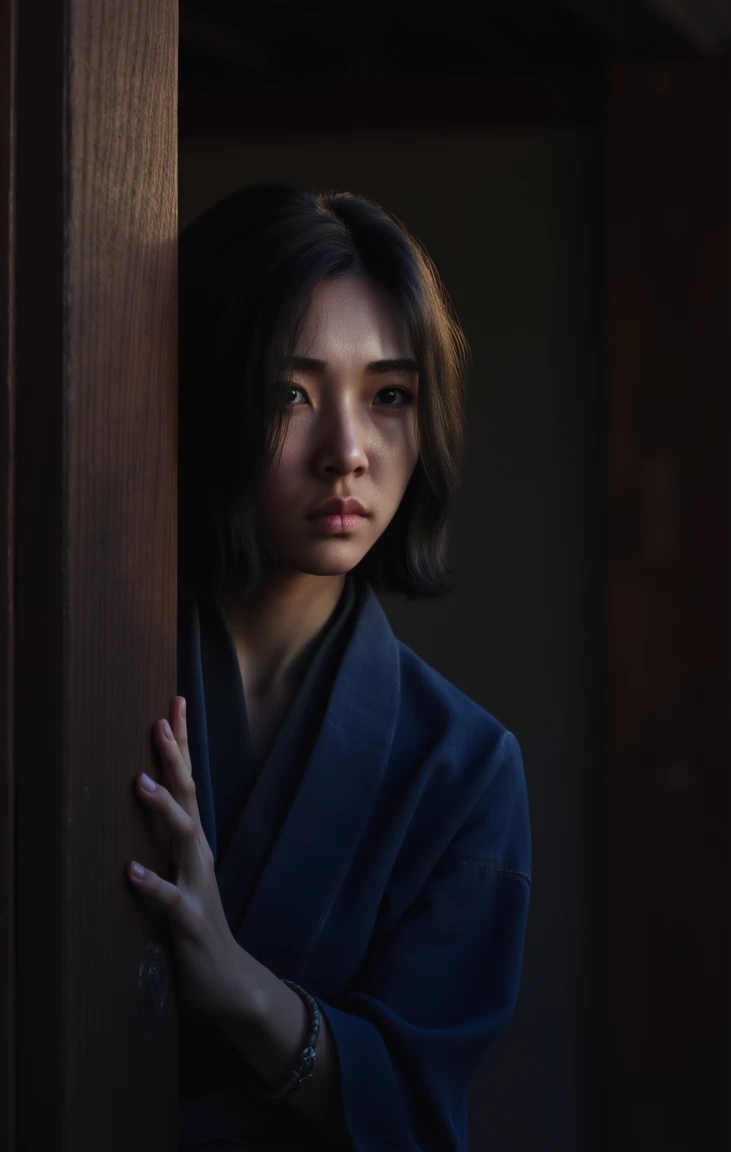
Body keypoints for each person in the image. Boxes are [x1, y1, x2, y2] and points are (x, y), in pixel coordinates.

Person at [126, 186, 531, 1151]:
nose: (346, 453)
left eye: (389, 396)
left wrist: (238, 985)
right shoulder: (89, 680)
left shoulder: (466, 769)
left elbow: (416, 1106)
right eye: (291, 394)